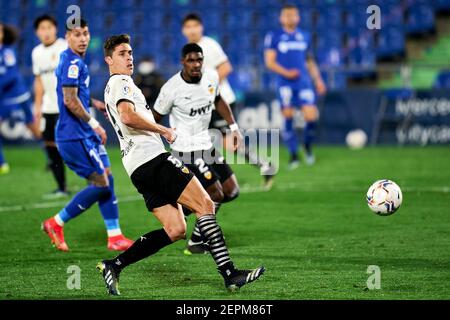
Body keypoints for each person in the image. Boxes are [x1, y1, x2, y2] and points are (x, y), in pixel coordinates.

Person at [98, 34, 265, 295]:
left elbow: (125, 116)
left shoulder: (113, 86)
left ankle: (114, 265)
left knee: (175, 229)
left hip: (135, 167)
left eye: (130, 52)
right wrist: (163, 130)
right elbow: (128, 117)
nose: (129, 57)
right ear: (108, 59)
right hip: (154, 158)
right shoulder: (121, 83)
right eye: (122, 53)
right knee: (207, 204)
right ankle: (230, 274)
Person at [41, 19, 133, 252]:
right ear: (67, 37)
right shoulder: (72, 62)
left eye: (86, 33)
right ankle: (56, 222)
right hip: (74, 135)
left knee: (108, 178)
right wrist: (95, 124)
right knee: (101, 184)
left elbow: (74, 95)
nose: (83, 39)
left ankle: (115, 236)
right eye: (77, 34)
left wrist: (94, 103)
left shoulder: (70, 59)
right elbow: (69, 100)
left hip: (82, 134)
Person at [152, 43, 241, 255]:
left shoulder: (211, 77)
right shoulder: (171, 88)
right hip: (185, 149)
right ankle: (197, 240)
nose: (196, 64)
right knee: (216, 194)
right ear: (182, 62)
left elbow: (218, 100)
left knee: (231, 190)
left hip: (206, 144)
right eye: (191, 60)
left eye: (199, 60)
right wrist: (159, 143)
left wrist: (234, 127)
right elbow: (155, 118)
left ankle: (181, 208)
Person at [182, 13, 276, 188]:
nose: (192, 29)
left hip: (220, 102)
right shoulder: (189, 48)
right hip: (204, 105)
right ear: (183, 30)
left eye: (195, 25)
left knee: (230, 145)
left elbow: (226, 68)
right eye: (188, 26)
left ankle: (265, 166)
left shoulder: (208, 45)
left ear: (201, 27)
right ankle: (209, 179)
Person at [264, 4, 326, 169]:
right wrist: (286, 72)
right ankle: (293, 154)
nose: (290, 18)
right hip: (284, 83)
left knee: (311, 116)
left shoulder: (304, 36)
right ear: (281, 18)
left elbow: (310, 60)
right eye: (287, 15)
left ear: (298, 17)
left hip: (304, 82)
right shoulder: (274, 36)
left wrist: (318, 80)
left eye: (293, 15)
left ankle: (307, 146)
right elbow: (269, 62)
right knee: (288, 115)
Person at [32, 15, 68, 198]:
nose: (45, 32)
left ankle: (94, 180)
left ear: (55, 28)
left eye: (49, 27)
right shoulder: (36, 52)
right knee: (50, 147)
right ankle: (61, 187)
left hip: (66, 106)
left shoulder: (64, 47)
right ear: (37, 32)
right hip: (48, 108)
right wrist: (37, 107)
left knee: (74, 146)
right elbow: (38, 81)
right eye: (41, 28)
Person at [0, 23, 40, 175]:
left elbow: (11, 75)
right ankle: (2, 164)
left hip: (16, 94)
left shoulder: (7, 52)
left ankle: (52, 155)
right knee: (31, 124)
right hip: (4, 97)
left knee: (32, 125)